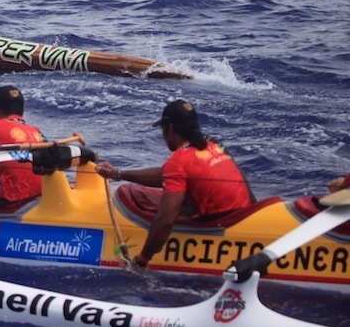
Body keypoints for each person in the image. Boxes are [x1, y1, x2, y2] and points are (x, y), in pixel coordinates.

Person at [95, 99, 254, 270]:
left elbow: (165, 221)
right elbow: (168, 175)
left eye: (163, 129)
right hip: (244, 212)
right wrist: (119, 174)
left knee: (139, 199)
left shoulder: (180, 161)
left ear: (170, 129)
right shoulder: (214, 145)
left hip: (220, 224)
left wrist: (141, 261)